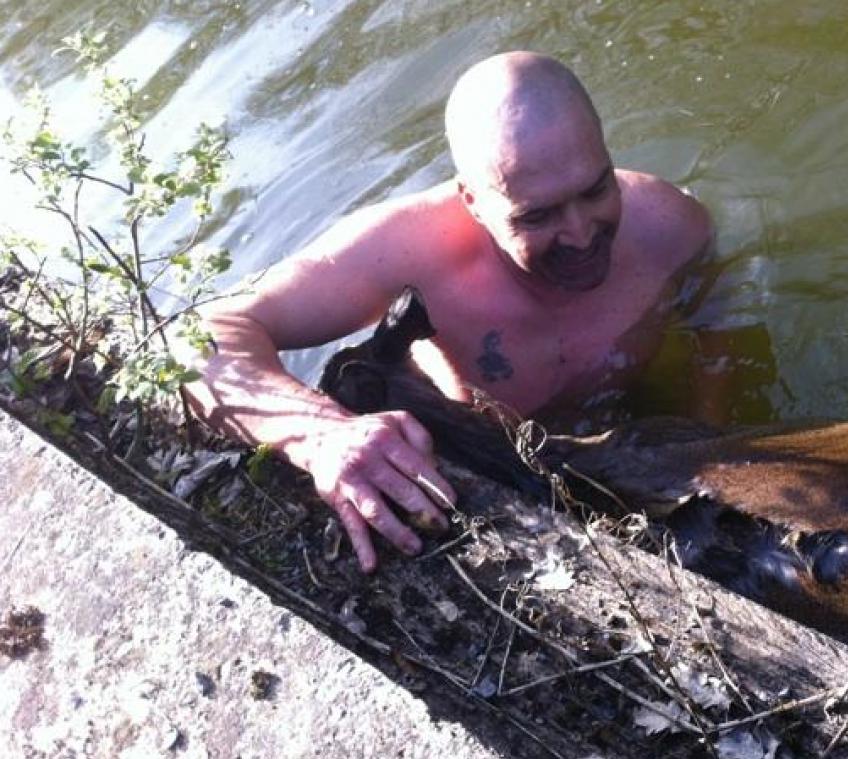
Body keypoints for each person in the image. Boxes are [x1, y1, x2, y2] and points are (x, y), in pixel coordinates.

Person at [185, 52, 714, 573]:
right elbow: (198, 336)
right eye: (537, 215)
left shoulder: (669, 227)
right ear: (473, 200)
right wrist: (320, 433)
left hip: (646, 429)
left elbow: (718, 349)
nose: (580, 233)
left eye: (596, 188)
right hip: (493, 452)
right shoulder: (411, 249)